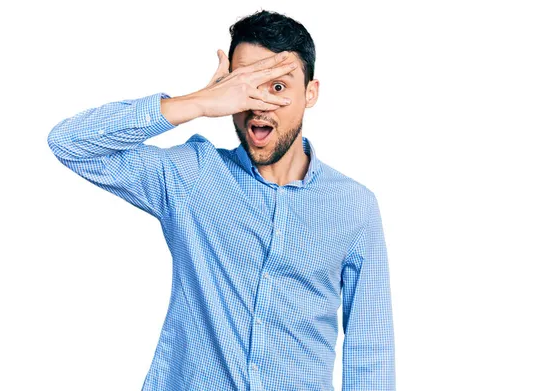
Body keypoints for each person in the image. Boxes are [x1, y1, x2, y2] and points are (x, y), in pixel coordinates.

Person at [47, 9, 395, 391]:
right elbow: (70, 144)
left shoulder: (354, 207)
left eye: (277, 87)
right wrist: (196, 103)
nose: (259, 104)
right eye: (246, 85)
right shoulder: (193, 176)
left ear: (310, 93)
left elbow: (369, 354)